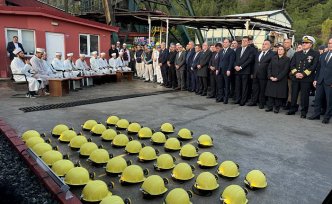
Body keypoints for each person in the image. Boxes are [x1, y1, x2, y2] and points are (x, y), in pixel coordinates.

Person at [286, 36, 320, 118]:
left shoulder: (315, 53)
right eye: (303, 42)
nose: (304, 44)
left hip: (306, 78)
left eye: (306, 43)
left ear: (311, 44)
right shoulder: (297, 53)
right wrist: (296, 73)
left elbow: (313, 66)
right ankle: (292, 109)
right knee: (294, 94)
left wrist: (303, 74)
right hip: (296, 77)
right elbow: (292, 65)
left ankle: (304, 112)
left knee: (304, 96)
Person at [308, 38, 332, 124]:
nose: (330, 45)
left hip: (330, 82)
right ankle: (316, 114)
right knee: (317, 99)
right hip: (320, 81)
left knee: (329, 101)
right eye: (329, 43)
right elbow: (318, 68)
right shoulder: (323, 54)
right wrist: (315, 79)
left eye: (331, 43)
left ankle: (327, 117)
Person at [247, 40, 275, 109]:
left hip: (264, 75)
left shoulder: (272, 54)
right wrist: (253, 73)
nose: (263, 45)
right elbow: (255, 63)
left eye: (265, 44)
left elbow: (271, 65)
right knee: (255, 89)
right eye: (263, 44)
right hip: (256, 74)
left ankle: (261, 103)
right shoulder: (258, 53)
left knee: (262, 90)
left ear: (269, 46)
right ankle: (253, 101)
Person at [265, 46, 290, 113]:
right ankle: (269, 107)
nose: (280, 50)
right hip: (271, 78)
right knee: (270, 93)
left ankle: (277, 108)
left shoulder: (287, 59)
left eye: (281, 49)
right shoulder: (273, 58)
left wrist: (277, 78)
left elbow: (285, 70)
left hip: (280, 79)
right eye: (279, 49)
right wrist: (270, 76)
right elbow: (269, 68)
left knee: (278, 95)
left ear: (284, 51)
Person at [234, 36, 254, 106]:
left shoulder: (251, 50)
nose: (244, 42)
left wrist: (241, 67)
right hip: (237, 70)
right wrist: (235, 66)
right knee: (238, 86)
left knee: (244, 87)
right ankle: (237, 99)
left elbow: (249, 60)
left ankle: (243, 100)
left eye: (245, 41)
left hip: (245, 71)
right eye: (243, 40)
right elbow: (235, 59)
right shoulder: (238, 49)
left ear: (248, 42)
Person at [216, 39, 236, 104]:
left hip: (226, 71)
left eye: (226, 42)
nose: (224, 43)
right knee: (220, 85)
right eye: (224, 42)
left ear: (229, 43)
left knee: (227, 85)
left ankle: (226, 99)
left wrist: (229, 69)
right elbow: (218, 61)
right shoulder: (221, 51)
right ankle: (220, 97)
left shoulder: (231, 51)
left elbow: (231, 61)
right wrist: (217, 69)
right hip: (220, 70)